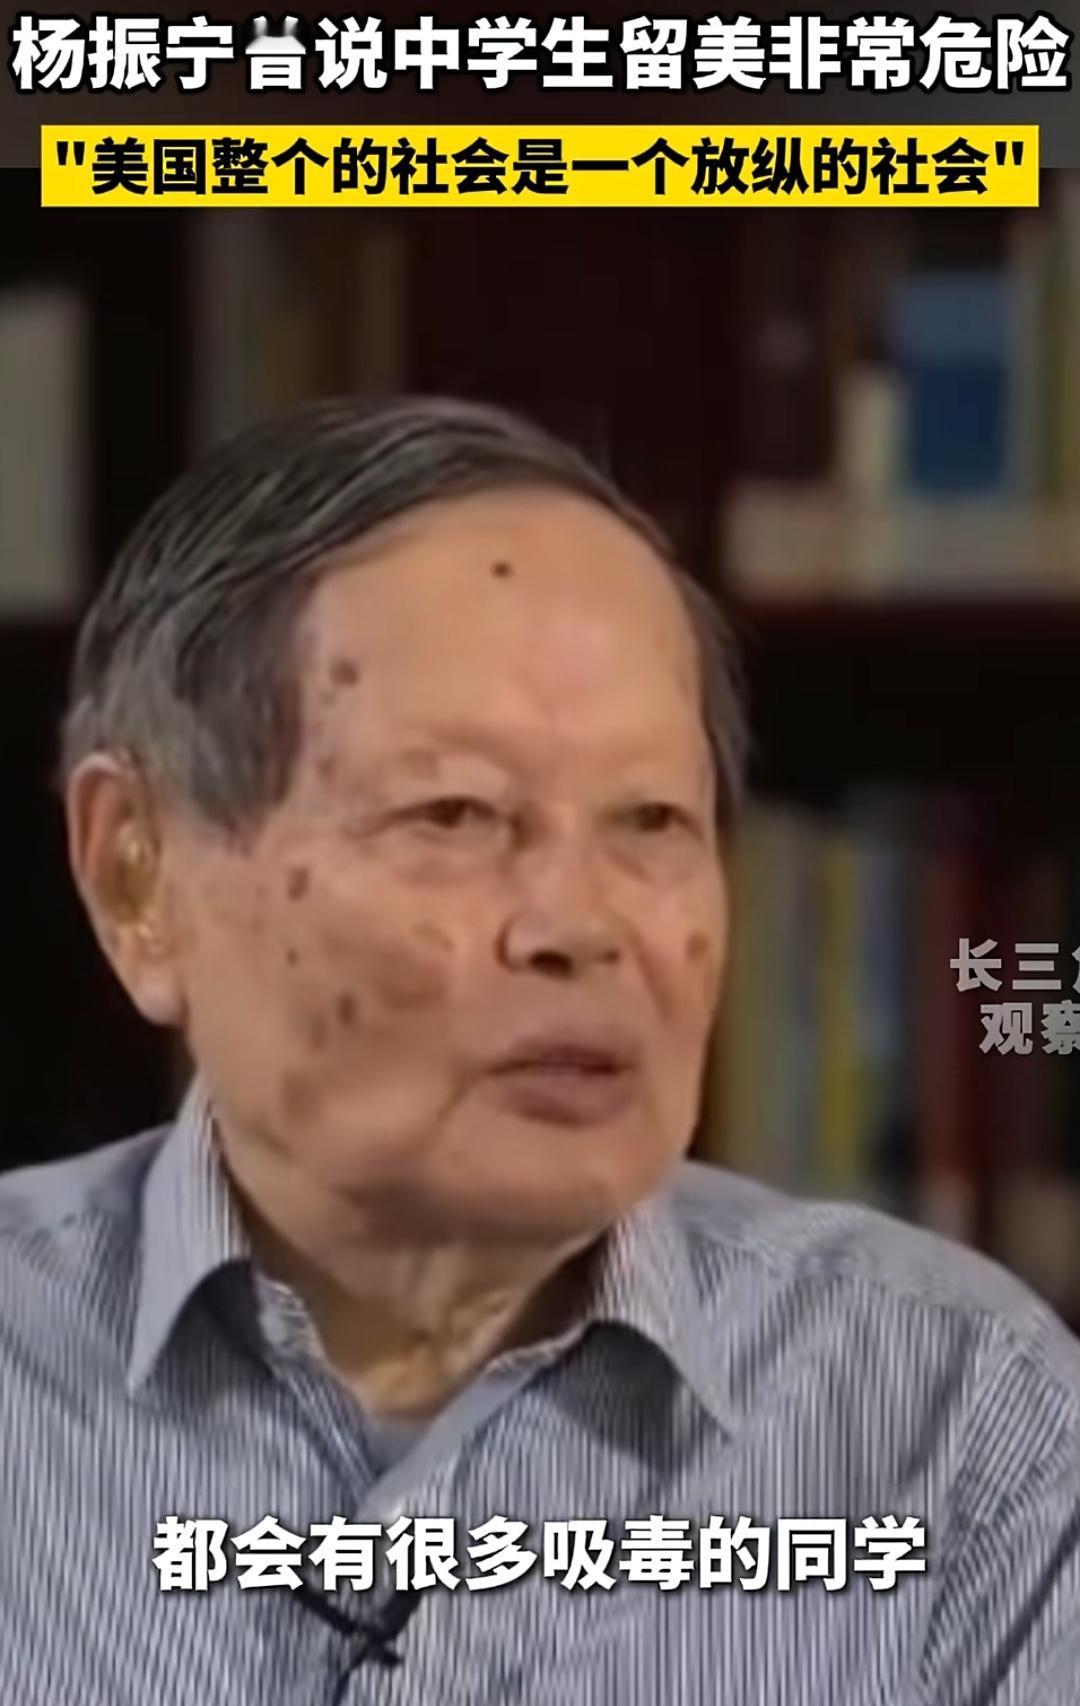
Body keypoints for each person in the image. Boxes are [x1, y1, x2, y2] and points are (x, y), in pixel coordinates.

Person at [1, 395, 1077, 1706]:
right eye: (454, 813)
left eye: (653, 820)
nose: (581, 926)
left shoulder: (962, 1422)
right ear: (139, 874)